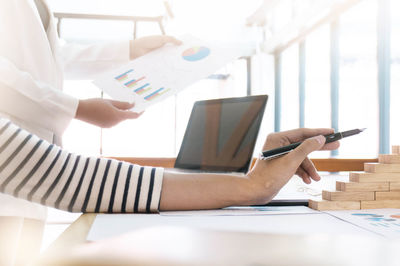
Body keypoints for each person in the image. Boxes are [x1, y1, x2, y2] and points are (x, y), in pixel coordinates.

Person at [0, 0, 181, 265]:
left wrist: (130, 49)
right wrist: (78, 108)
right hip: (11, 166)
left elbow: (54, 57)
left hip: (34, 170)